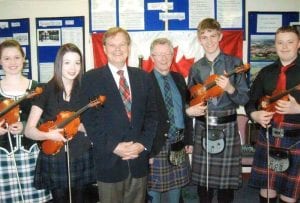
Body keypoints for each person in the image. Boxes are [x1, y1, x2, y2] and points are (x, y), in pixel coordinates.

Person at [80, 27, 158, 203]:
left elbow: (152, 115)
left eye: (122, 44)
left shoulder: (144, 77)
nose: (118, 49)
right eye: (112, 45)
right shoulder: (91, 79)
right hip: (109, 159)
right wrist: (114, 146)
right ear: (105, 48)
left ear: (129, 47)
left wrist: (142, 144)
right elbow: (90, 120)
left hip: (138, 160)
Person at [186, 18, 249, 203]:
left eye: (213, 36)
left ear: (220, 36)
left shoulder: (235, 63)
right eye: (204, 37)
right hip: (203, 125)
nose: (209, 41)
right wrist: (194, 105)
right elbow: (190, 97)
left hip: (227, 125)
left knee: (225, 184)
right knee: (203, 183)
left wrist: (230, 89)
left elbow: (244, 98)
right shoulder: (196, 67)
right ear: (199, 39)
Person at [24, 43, 95, 203]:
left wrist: (79, 126)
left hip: (81, 154)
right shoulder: (46, 90)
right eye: (67, 62)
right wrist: (48, 134)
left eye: (77, 62)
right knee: (60, 199)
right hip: (55, 156)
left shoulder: (85, 89)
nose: (73, 67)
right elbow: (29, 130)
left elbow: (92, 125)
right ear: (59, 64)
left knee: (81, 199)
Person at [245, 26, 300, 203]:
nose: (284, 47)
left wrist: (298, 109)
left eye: (290, 42)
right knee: (267, 188)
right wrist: (255, 115)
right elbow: (250, 101)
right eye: (280, 42)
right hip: (268, 136)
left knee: (289, 192)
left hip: (296, 139)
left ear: (298, 44)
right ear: (275, 45)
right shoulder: (265, 72)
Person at [0, 39, 52, 202]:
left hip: (32, 156)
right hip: (3, 159)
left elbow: (48, 119)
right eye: (6, 58)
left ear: (24, 59)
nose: (12, 62)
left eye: (17, 57)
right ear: (0, 61)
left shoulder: (37, 88)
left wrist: (25, 125)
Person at [147, 38, 193, 203]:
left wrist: (189, 138)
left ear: (173, 55)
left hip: (179, 140)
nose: (164, 58)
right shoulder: (144, 81)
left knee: (177, 185)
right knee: (154, 186)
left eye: (167, 53)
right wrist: (148, 150)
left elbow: (185, 110)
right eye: (159, 54)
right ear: (152, 57)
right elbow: (142, 120)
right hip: (157, 143)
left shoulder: (179, 78)